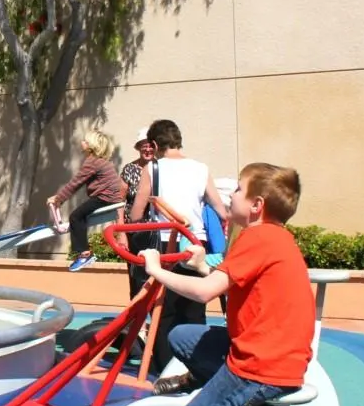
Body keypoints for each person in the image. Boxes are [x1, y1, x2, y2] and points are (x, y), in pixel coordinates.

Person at [140, 163, 314, 406]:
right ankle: (222, 396)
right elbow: (226, 281)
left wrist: (155, 270)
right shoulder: (275, 238)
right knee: (182, 336)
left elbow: (204, 294)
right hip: (280, 356)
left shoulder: (256, 238)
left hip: (258, 365)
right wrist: (203, 264)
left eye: (237, 189)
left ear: (255, 205)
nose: (229, 195)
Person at [130, 119, 228, 370]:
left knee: (165, 309)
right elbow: (221, 209)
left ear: (154, 143)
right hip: (196, 243)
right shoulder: (200, 168)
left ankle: (165, 365)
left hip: (166, 244)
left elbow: (137, 214)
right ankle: (194, 365)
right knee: (195, 307)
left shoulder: (152, 169)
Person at [47, 129, 122, 272]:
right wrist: (60, 200)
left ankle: (84, 254)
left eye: (85, 141)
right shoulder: (101, 161)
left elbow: (75, 183)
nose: (82, 142)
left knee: (76, 216)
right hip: (109, 197)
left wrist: (58, 198)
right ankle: (84, 253)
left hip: (104, 198)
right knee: (81, 216)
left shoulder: (92, 162)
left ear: (91, 146)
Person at [114, 128, 157, 297]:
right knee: (136, 274)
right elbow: (119, 201)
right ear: (138, 148)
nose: (147, 149)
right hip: (134, 231)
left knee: (155, 274)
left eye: (150, 146)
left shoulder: (162, 168)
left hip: (157, 231)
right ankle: (135, 315)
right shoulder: (129, 169)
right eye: (143, 146)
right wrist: (121, 232)